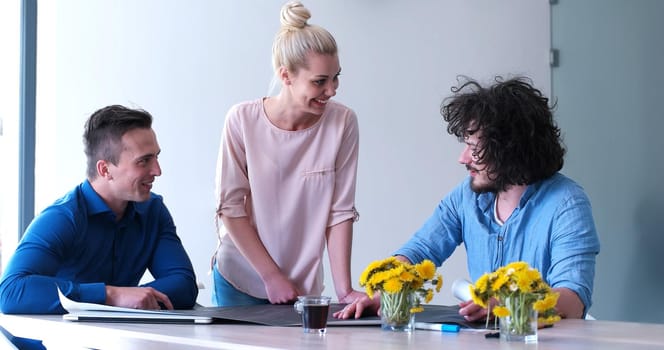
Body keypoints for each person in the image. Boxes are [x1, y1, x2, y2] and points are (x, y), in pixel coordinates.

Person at [336, 76, 600, 321]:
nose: (462, 158)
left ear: (509, 150)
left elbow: (573, 302)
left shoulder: (567, 204)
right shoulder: (466, 196)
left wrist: (509, 304)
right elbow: (419, 251)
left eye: (474, 149)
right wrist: (386, 290)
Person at [211, 0, 364, 306]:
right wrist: (271, 276)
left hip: (303, 288)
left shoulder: (342, 123)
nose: (332, 90)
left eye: (336, 78)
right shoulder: (241, 120)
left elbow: (340, 212)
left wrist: (344, 290)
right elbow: (230, 208)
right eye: (320, 81)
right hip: (240, 280)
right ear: (286, 76)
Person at [0, 105, 199, 314]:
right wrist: (111, 295)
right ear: (105, 170)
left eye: (156, 157)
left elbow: (183, 284)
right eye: (144, 161)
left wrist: (132, 298)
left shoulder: (153, 211)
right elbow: (10, 292)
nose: (157, 170)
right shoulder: (62, 217)